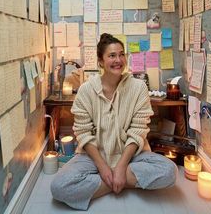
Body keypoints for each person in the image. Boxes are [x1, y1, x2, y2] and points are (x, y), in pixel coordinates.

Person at [51, 33, 177, 210]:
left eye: (121, 54)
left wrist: (121, 167)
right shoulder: (86, 91)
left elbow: (138, 131)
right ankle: (117, 182)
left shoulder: (138, 88)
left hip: (131, 155)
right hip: (93, 156)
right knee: (58, 187)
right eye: (112, 55)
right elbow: (83, 132)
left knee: (170, 171)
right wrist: (103, 167)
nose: (118, 60)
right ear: (100, 61)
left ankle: (115, 180)